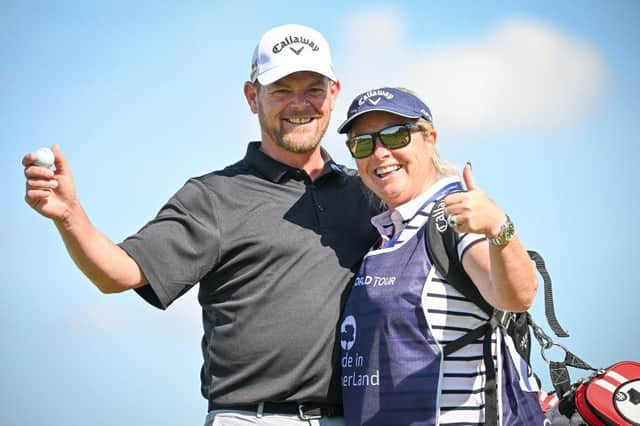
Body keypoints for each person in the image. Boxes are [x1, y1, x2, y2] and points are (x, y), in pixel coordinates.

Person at [22, 24, 380, 426]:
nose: (299, 103)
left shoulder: (367, 194)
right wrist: (70, 215)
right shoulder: (214, 197)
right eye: (281, 90)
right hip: (252, 418)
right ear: (252, 97)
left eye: (313, 88)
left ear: (333, 93)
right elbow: (118, 273)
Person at [336, 87, 546, 425]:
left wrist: (499, 229)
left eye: (395, 136)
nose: (379, 154)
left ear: (430, 138)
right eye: (363, 143)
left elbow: (518, 296)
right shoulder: (387, 233)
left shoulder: (453, 216)